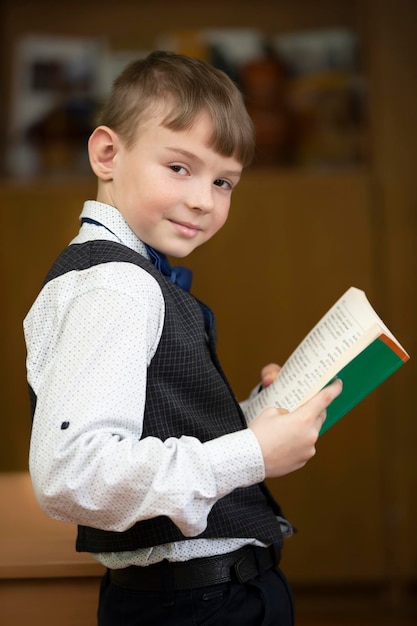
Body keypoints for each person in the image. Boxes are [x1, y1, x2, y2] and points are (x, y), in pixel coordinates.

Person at [24, 50, 342, 626]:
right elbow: (73, 474)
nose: (203, 199)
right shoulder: (116, 287)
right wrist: (252, 453)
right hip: (194, 605)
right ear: (107, 153)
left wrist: (253, 420)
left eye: (223, 181)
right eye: (180, 168)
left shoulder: (131, 278)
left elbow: (153, 432)